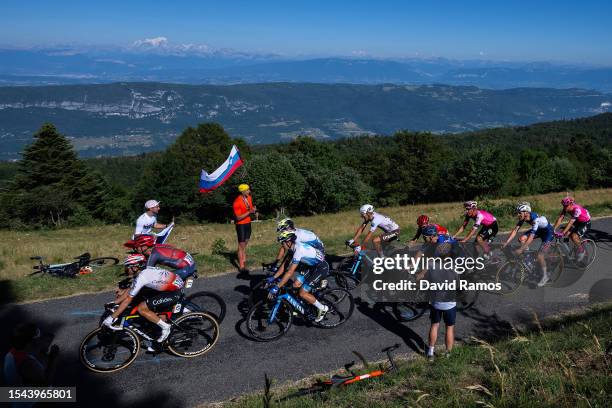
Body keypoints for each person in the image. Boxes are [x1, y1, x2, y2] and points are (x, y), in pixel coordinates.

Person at [103, 254, 184, 342]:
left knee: (142, 308)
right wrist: (115, 302)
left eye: (127, 267)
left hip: (173, 292)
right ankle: (158, 326)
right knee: (143, 299)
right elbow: (131, 289)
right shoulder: (142, 272)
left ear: (134, 267)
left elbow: (128, 299)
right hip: (169, 287)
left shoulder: (142, 277)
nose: (125, 270)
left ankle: (165, 327)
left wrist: (112, 317)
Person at [268, 230, 330, 322]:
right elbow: (284, 266)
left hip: (320, 268)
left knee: (302, 293)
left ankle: (322, 307)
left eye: (282, 243)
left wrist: (277, 286)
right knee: (295, 284)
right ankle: (305, 305)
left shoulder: (298, 250)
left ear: (288, 242)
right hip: (311, 267)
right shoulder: (292, 249)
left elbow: (289, 272)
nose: (282, 245)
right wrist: (274, 277)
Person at [419, 242, 458, 361]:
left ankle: (430, 352)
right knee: (449, 328)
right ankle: (448, 354)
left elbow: (421, 277)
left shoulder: (431, 264)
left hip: (435, 301)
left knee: (434, 325)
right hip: (450, 302)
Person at [503, 202, 555, 287]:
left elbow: (531, 237)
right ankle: (528, 258)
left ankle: (545, 276)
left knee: (540, 256)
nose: (518, 215)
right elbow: (515, 230)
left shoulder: (535, 219)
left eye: (519, 213)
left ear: (526, 212)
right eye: (518, 213)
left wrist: (521, 249)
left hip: (548, 233)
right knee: (521, 239)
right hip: (539, 230)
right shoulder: (524, 217)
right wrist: (506, 242)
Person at [3, 323, 59, 388]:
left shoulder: (13, 352)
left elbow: (33, 352)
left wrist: (41, 350)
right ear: (28, 344)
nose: (38, 340)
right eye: (36, 338)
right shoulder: (27, 364)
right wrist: (53, 358)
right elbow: (46, 383)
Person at [125, 234, 197, 280]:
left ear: (144, 247)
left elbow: (146, 274)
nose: (135, 250)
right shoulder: (156, 247)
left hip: (186, 268)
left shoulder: (154, 254)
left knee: (160, 284)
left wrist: (133, 277)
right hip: (189, 263)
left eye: (136, 247)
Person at [553, 196, 591, 262]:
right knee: (566, 234)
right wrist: (553, 229)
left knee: (574, 236)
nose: (564, 208)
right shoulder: (566, 208)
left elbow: (570, 223)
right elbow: (560, 218)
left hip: (585, 222)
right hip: (577, 221)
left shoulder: (577, 210)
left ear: (571, 204)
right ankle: (568, 249)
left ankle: (582, 251)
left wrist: (562, 233)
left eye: (566, 206)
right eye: (563, 206)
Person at [233, 184, 257, 274]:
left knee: (245, 244)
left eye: (249, 190)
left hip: (248, 223)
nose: (249, 191)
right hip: (241, 225)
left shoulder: (249, 198)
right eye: (247, 190)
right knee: (241, 245)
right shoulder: (237, 202)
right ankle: (242, 266)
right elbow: (238, 217)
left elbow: (250, 208)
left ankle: (242, 258)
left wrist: (254, 211)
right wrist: (249, 212)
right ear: (242, 191)